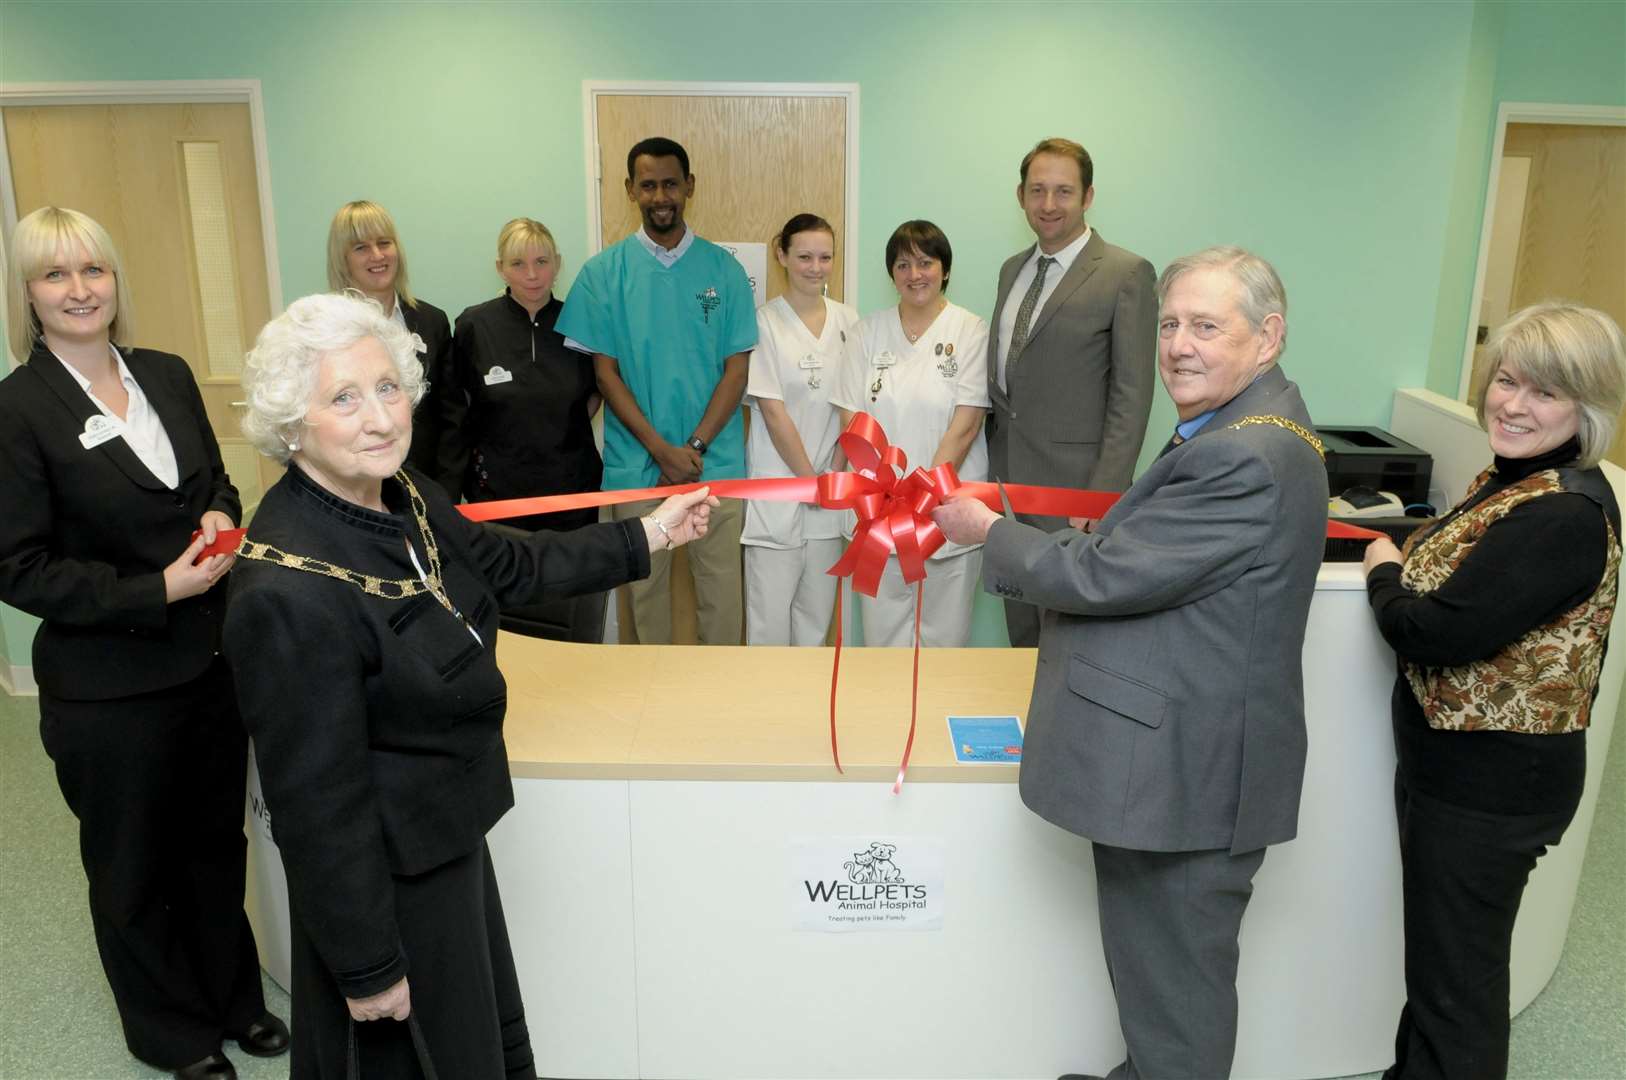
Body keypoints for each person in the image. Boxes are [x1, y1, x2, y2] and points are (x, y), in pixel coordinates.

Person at [225, 291, 715, 1077]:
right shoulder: (284, 590)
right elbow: (318, 806)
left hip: (445, 843)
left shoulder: (402, 492)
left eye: (388, 387)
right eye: (344, 399)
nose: (381, 418)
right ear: (292, 425)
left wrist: (652, 533)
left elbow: (509, 566)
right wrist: (366, 964)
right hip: (387, 884)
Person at [933, 246, 1326, 1079]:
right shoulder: (1240, 428)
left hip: (1190, 773)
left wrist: (988, 534)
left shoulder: (1245, 455)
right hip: (1182, 757)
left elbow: (1109, 576)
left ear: (1268, 337)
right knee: (1156, 977)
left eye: (1207, 327)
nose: (1179, 345)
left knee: (1176, 991)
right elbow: (1146, 552)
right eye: (1173, 324)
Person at [0, 207, 286, 1080]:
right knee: (133, 865)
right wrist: (153, 591)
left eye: (94, 270)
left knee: (213, 846)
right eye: (56, 275)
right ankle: (171, 1033)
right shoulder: (17, 409)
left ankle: (236, 1001)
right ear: (29, 295)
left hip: (209, 662)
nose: (80, 290)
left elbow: (219, 482)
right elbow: (19, 567)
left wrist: (219, 514)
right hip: (108, 684)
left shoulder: (164, 373)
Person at [1362, 303, 1625, 1080]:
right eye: (1508, 381)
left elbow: (1435, 631)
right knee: (1443, 974)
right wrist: (1403, 541)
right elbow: (1465, 549)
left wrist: (1382, 570)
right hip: (1459, 772)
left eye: (1545, 393)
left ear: (1589, 407)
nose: (1514, 404)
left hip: (1491, 785)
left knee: (1458, 994)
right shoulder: (1521, 479)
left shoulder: (1563, 515)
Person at [557, 136, 755, 645]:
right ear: (630, 190)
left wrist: (692, 448)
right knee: (643, 599)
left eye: (670, 183)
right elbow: (605, 376)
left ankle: (721, 712)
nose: (660, 195)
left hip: (714, 464)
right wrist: (660, 450)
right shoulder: (604, 274)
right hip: (636, 467)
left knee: (721, 598)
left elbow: (737, 371)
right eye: (648, 185)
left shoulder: (725, 271)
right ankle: (651, 715)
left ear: (689, 186)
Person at [986, 137, 1157, 647]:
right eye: (1037, 190)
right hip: (1007, 489)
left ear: (1088, 196)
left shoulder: (1126, 273)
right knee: (1020, 628)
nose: (1048, 204)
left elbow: (1132, 396)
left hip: (1074, 496)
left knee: (1069, 638)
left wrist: (1102, 495)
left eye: (1063, 191)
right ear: (1020, 195)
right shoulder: (1011, 269)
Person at [439, 218, 608, 641]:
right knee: (506, 611)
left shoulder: (580, 323)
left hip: (571, 493)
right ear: (500, 269)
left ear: (558, 265)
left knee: (570, 604)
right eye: (518, 264)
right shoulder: (474, 326)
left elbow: (594, 395)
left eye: (541, 262)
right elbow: (458, 408)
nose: (531, 275)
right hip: (499, 496)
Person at [831, 219, 989, 647]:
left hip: (947, 511)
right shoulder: (867, 332)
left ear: (945, 269)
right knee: (883, 643)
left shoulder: (969, 330)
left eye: (925, 262)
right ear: (892, 274)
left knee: (945, 643)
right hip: (878, 513)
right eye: (903, 265)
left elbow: (967, 423)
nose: (915, 274)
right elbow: (852, 422)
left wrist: (923, 499)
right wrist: (893, 500)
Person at [742, 213, 857, 645]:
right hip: (779, 491)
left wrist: (833, 475)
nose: (816, 267)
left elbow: (853, 408)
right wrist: (810, 480)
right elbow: (772, 411)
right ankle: (767, 712)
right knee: (769, 624)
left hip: (830, 494)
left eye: (825, 257)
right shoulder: (763, 323)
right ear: (782, 255)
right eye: (805, 256)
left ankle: (806, 710)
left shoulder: (850, 322)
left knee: (814, 621)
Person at [325, 199, 453, 482]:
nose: (377, 255)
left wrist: (447, 490)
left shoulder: (433, 321)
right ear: (342, 259)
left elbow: (451, 416)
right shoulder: (325, 330)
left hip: (428, 484)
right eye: (361, 248)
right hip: (354, 484)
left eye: (384, 243)